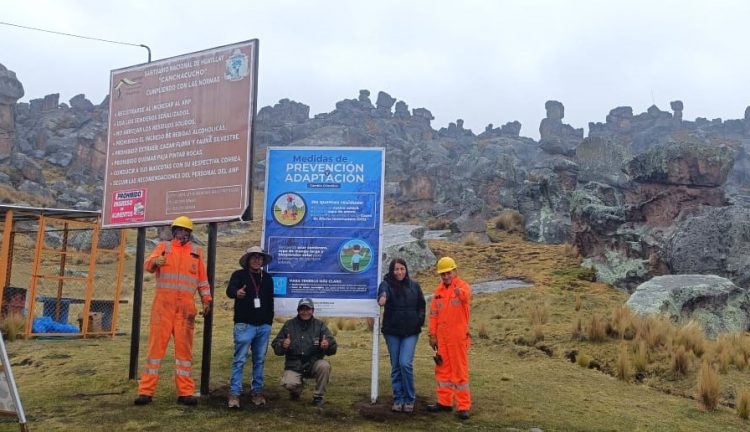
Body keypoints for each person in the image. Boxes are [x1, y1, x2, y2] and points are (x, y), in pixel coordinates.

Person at [134, 216, 212, 406]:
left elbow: (202, 279)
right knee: (155, 350)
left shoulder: (196, 252)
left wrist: (206, 299)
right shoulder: (163, 247)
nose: (183, 234)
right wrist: (155, 262)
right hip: (163, 307)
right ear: (174, 231)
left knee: (185, 353)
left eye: (186, 231)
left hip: (186, 309)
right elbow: (148, 265)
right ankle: (145, 391)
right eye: (180, 230)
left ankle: (185, 393)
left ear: (190, 233)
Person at [226, 246, 275, 409]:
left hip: (263, 326)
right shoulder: (238, 275)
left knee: (259, 360)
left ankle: (257, 392)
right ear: (248, 259)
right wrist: (237, 292)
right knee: (239, 360)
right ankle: (234, 394)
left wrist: (269, 322)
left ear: (263, 261)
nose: (257, 260)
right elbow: (230, 290)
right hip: (244, 324)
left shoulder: (267, 278)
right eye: (253, 257)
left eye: (259, 257)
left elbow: (270, 301)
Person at [427, 256, 472, 420]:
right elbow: (433, 315)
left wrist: (459, 292)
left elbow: (466, 298)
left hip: (458, 339)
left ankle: (463, 406)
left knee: (459, 372)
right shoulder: (438, 292)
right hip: (442, 340)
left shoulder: (462, 287)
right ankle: (444, 402)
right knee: (442, 371)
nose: (445, 276)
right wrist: (432, 335)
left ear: (455, 271)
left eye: (448, 273)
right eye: (443, 274)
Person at [378, 258, 426, 413]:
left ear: (406, 270)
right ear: (392, 271)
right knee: (396, 366)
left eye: (402, 269)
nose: (399, 272)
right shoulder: (387, 284)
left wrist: (419, 321)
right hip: (392, 332)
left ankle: (409, 398)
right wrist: (382, 297)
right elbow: (382, 292)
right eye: (396, 269)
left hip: (411, 332)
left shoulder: (415, 286)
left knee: (405, 363)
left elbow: (421, 306)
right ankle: (398, 399)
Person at [271, 298, 337, 407]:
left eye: (308, 309)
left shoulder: (320, 325)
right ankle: (296, 390)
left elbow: (333, 348)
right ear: (298, 310)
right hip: (294, 365)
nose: (305, 312)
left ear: (313, 310)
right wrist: (283, 344)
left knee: (324, 366)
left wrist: (327, 345)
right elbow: (276, 346)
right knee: (289, 384)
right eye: (302, 309)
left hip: (313, 363)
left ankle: (318, 397)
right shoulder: (289, 325)